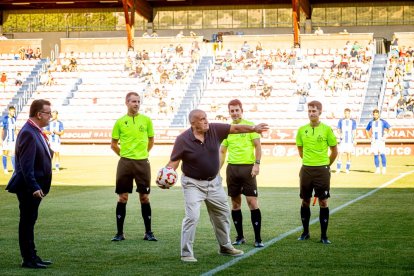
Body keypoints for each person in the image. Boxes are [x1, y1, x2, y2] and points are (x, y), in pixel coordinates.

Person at [165, 109, 268, 262]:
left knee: (223, 213)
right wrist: (165, 176)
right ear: (193, 123)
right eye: (202, 119)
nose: (206, 121)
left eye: (206, 117)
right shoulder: (183, 139)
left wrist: (253, 128)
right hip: (193, 184)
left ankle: (225, 246)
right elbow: (174, 161)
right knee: (192, 216)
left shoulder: (214, 129)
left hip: (214, 182)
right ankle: (186, 253)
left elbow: (236, 128)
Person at [6, 99, 53, 269]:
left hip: (33, 186)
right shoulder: (28, 132)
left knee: (30, 221)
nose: (50, 116)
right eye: (48, 113)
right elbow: (26, 166)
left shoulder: (34, 130)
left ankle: (32, 255)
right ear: (39, 114)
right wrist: (34, 186)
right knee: (26, 222)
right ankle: (28, 258)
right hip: (29, 188)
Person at [110, 92, 157, 242]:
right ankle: (119, 233)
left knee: (144, 197)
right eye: (133, 101)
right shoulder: (119, 122)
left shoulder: (147, 120)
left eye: (138, 101)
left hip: (142, 163)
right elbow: (113, 144)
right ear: (127, 103)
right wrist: (125, 155)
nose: (136, 104)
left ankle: (148, 232)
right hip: (125, 163)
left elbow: (151, 141)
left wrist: (142, 154)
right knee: (123, 197)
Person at [219, 99, 264, 248]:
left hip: (248, 169)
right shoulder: (227, 129)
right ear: (229, 112)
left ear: (241, 110)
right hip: (232, 169)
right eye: (232, 111)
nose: (234, 113)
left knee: (252, 202)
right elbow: (222, 151)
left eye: (237, 110)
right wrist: (217, 170)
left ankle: (258, 238)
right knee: (235, 204)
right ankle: (240, 237)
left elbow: (258, 146)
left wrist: (256, 164)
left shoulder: (250, 126)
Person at [296, 101, 338, 244]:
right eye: (309, 111)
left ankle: (324, 236)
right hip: (306, 169)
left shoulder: (327, 129)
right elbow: (300, 150)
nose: (311, 113)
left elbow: (334, 151)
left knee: (323, 202)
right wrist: (309, 162)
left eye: (314, 111)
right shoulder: (302, 130)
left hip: (322, 170)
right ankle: (305, 232)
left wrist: (326, 165)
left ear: (320, 112)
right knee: (305, 201)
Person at [365, 109, 392, 174]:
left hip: (381, 140)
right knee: (375, 154)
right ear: (373, 115)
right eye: (374, 115)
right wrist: (369, 137)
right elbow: (366, 130)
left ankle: (384, 168)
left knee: (382, 154)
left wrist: (386, 136)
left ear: (378, 114)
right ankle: (377, 169)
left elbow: (390, 128)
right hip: (374, 141)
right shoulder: (371, 122)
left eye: (376, 115)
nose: (375, 116)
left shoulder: (382, 122)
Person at [335, 108, 357, 174]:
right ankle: (338, 169)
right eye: (346, 113)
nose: (347, 114)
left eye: (348, 113)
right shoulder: (341, 121)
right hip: (343, 140)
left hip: (350, 141)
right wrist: (340, 134)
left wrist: (354, 139)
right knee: (339, 153)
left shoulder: (353, 121)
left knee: (349, 154)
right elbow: (338, 129)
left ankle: (347, 169)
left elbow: (354, 131)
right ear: (344, 113)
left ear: (350, 114)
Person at [2, 106, 17, 174]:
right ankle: (5, 169)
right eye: (12, 111)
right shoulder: (5, 119)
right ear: (9, 111)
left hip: (13, 140)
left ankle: (14, 169)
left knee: (13, 154)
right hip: (6, 139)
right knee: (5, 153)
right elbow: (1, 129)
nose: (13, 113)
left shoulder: (14, 119)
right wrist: (0, 140)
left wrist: (18, 137)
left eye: (14, 111)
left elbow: (15, 129)